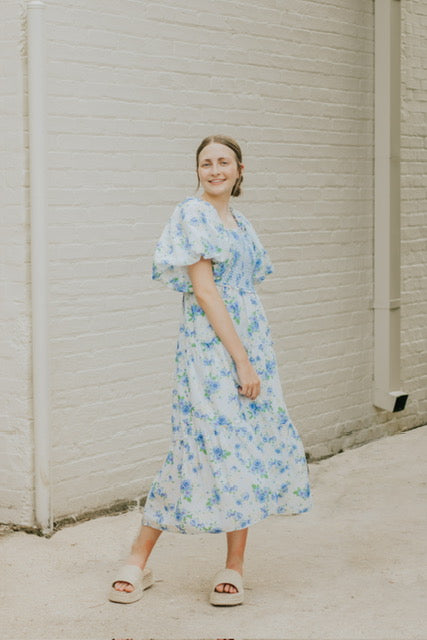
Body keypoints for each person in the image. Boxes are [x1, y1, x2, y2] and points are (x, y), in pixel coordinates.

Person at [108, 134, 312, 606]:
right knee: (197, 444)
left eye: (224, 162)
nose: (214, 169)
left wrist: (251, 354)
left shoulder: (240, 223)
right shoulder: (192, 214)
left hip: (250, 342)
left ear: (241, 170)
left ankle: (234, 567)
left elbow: (248, 287)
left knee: (245, 448)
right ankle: (138, 561)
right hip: (210, 350)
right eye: (206, 163)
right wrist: (239, 359)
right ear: (197, 170)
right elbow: (205, 292)